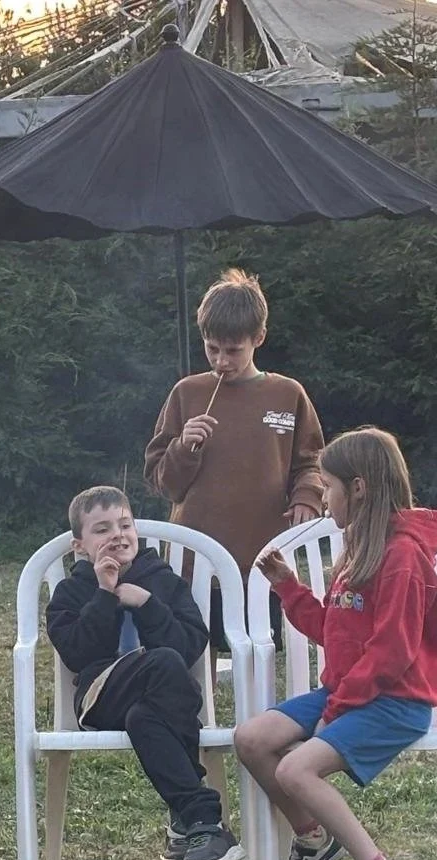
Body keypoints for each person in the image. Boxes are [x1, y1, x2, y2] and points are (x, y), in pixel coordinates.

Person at [234, 428, 437, 860]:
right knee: (252, 740)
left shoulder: (402, 559)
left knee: (294, 771)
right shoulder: (358, 550)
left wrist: (338, 710)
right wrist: (290, 588)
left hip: (395, 699)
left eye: (326, 486)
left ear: (358, 487)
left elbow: (392, 655)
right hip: (350, 690)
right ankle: (313, 840)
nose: (321, 496)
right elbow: (335, 631)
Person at [45, 486, 244, 860]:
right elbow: (77, 653)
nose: (117, 535)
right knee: (164, 663)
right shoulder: (71, 592)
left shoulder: (164, 581)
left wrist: (148, 604)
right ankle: (200, 819)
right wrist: (104, 594)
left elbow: (190, 646)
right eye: (102, 530)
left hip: (158, 701)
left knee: (147, 714)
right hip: (101, 697)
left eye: (125, 525)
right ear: (79, 546)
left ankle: (196, 823)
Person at [144, 267, 325, 649]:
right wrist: (182, 448)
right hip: (196, 560)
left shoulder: (287, 394)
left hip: (264, 557)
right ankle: (198, 711)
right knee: (197, 648)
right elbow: (162, 481)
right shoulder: (186, 393)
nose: (222, 360)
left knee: (260, 647)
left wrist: (307, 497)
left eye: (233, 350)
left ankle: (262, 710)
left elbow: (312, 463)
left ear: (258, 337)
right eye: (212, 349)